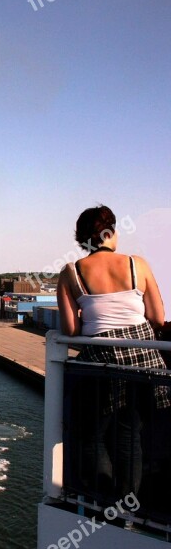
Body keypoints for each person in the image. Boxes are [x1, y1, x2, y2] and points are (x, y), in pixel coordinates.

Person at [57, 205, 168, 496]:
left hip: (101, 362)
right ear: (111, 233)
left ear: (82, 239)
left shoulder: (71, 272)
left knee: (91, 438)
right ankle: (128, 506)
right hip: (142, 360)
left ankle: (108, 502)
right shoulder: (137, 264)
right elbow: (157, 317)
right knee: (129, 437)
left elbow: (70, 331)